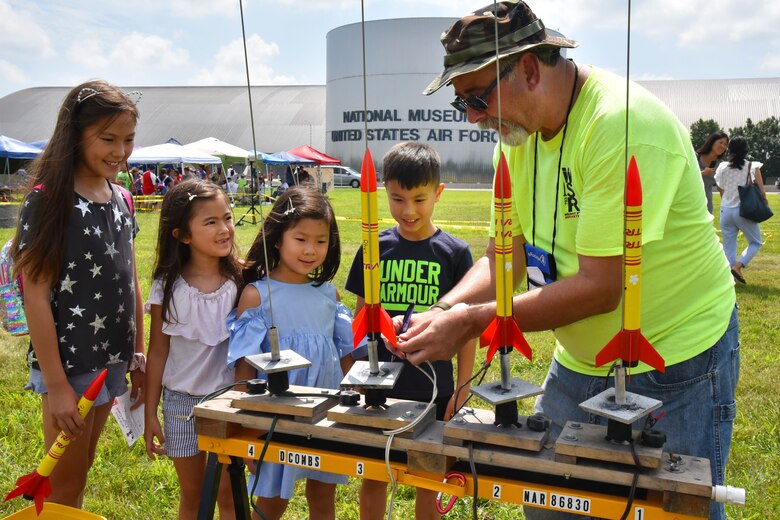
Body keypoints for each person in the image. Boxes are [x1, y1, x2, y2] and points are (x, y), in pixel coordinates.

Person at [399, 3, 738, 520]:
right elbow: (503, 257)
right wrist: (446, 309)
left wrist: (472, 321)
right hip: (580, 362)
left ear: (530, 69)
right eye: (459, 101)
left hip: (678, 360)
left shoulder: (619, 126)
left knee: (668, 510)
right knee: (550, 505)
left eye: (476, 96)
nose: (470, 116)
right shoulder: (515, 135)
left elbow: (602, 287)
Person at [11, 79, 145, 509]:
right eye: (108, 139)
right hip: (69, 368)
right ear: (75, 134)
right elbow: (35, 294)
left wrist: (137, 351)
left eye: (127, 140)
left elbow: (132, 279)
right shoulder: (47, 200)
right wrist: (57, 384)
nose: (119, 152)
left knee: (80, 470)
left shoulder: (122, 198)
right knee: (64, 487)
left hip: (112, 362)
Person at [344, 142, 476, 520]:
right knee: (373, 474)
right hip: (380, 385)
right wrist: (355, 374)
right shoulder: (375, 247)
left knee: (427, 476)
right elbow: (360, 318)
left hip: (434, 384)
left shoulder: (455, 253)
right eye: (397, 199)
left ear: (438, 193)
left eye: (419, 199)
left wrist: (463, 388)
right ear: (384, 191)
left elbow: (467, 330)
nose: (408, 210)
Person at [227, 186, 355, 520]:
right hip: (275, 419)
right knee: (270, 501)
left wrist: (355, 401)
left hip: (327, 414)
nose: (311, 250)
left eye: (321, 240)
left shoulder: (330, 294)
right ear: (278, 239)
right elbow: (243, 371)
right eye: (301, 239)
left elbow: (344, 358)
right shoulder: (257, 295)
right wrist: (246, 428)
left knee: (323, 496)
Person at [144, 179, 243, 519]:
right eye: (211, 222)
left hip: (229, 404)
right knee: (194, 496)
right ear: (183, 235)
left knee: (229, 497)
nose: (224, 228)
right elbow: (157, 352)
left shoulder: (242, 282)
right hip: (180, 406)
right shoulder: (166, 287)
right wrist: (149, 414)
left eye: (227, 218)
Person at [714, 136, 767, 285]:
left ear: (729, 149)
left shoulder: (723, 166)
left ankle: (728, 279)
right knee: (756, 242)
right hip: (743, 211)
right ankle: (738, 266)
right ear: (745, 150)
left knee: (729, 245)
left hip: (725, 210)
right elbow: (760, 187)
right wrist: (764, 198)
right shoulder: (751, 166)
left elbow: (720, 185)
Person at [696, 131, 729, 213]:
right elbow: (683, 176)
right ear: (712, 142)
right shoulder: (695, 157)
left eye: (725, 144)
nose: (723, 146)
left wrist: (728, 208)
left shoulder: (720, 165)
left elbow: (721, 189)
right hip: (688, 202)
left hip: (706, 206)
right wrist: (702, 173)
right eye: (721, 142)